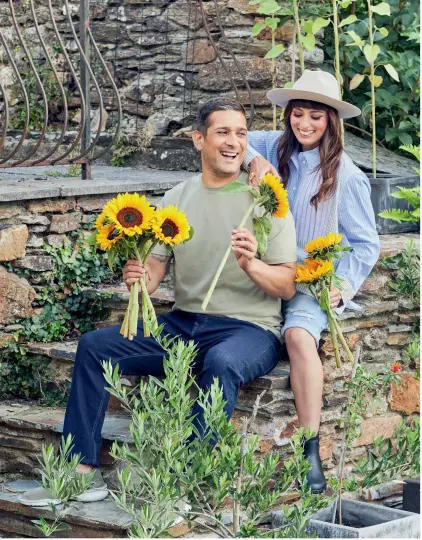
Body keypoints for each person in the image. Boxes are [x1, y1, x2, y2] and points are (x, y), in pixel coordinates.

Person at [18, 97, 297, 507]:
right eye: (223, 132)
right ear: (198, 139)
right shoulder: (175, 198)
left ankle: (184, 485)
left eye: (241, 133)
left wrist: (252, 263)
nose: (234, 142)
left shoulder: (266, 201)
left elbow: (287, 285)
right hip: (185, 323)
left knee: (221, 363)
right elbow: (152, 274)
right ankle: (82, 474)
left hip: (251, 329)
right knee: (95, 347)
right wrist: (137, 279)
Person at [244, 70, 380, 493]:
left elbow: (365, 244)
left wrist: (344, 285)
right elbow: (232, 139)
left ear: (331, 122)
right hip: (263, 272)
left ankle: (310, 449)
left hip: (308, 280)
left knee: (300, 337)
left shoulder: (347, 177)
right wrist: (255, 160)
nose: (304, 124)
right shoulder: (274, 145)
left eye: (315, 118)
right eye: (297, 115)